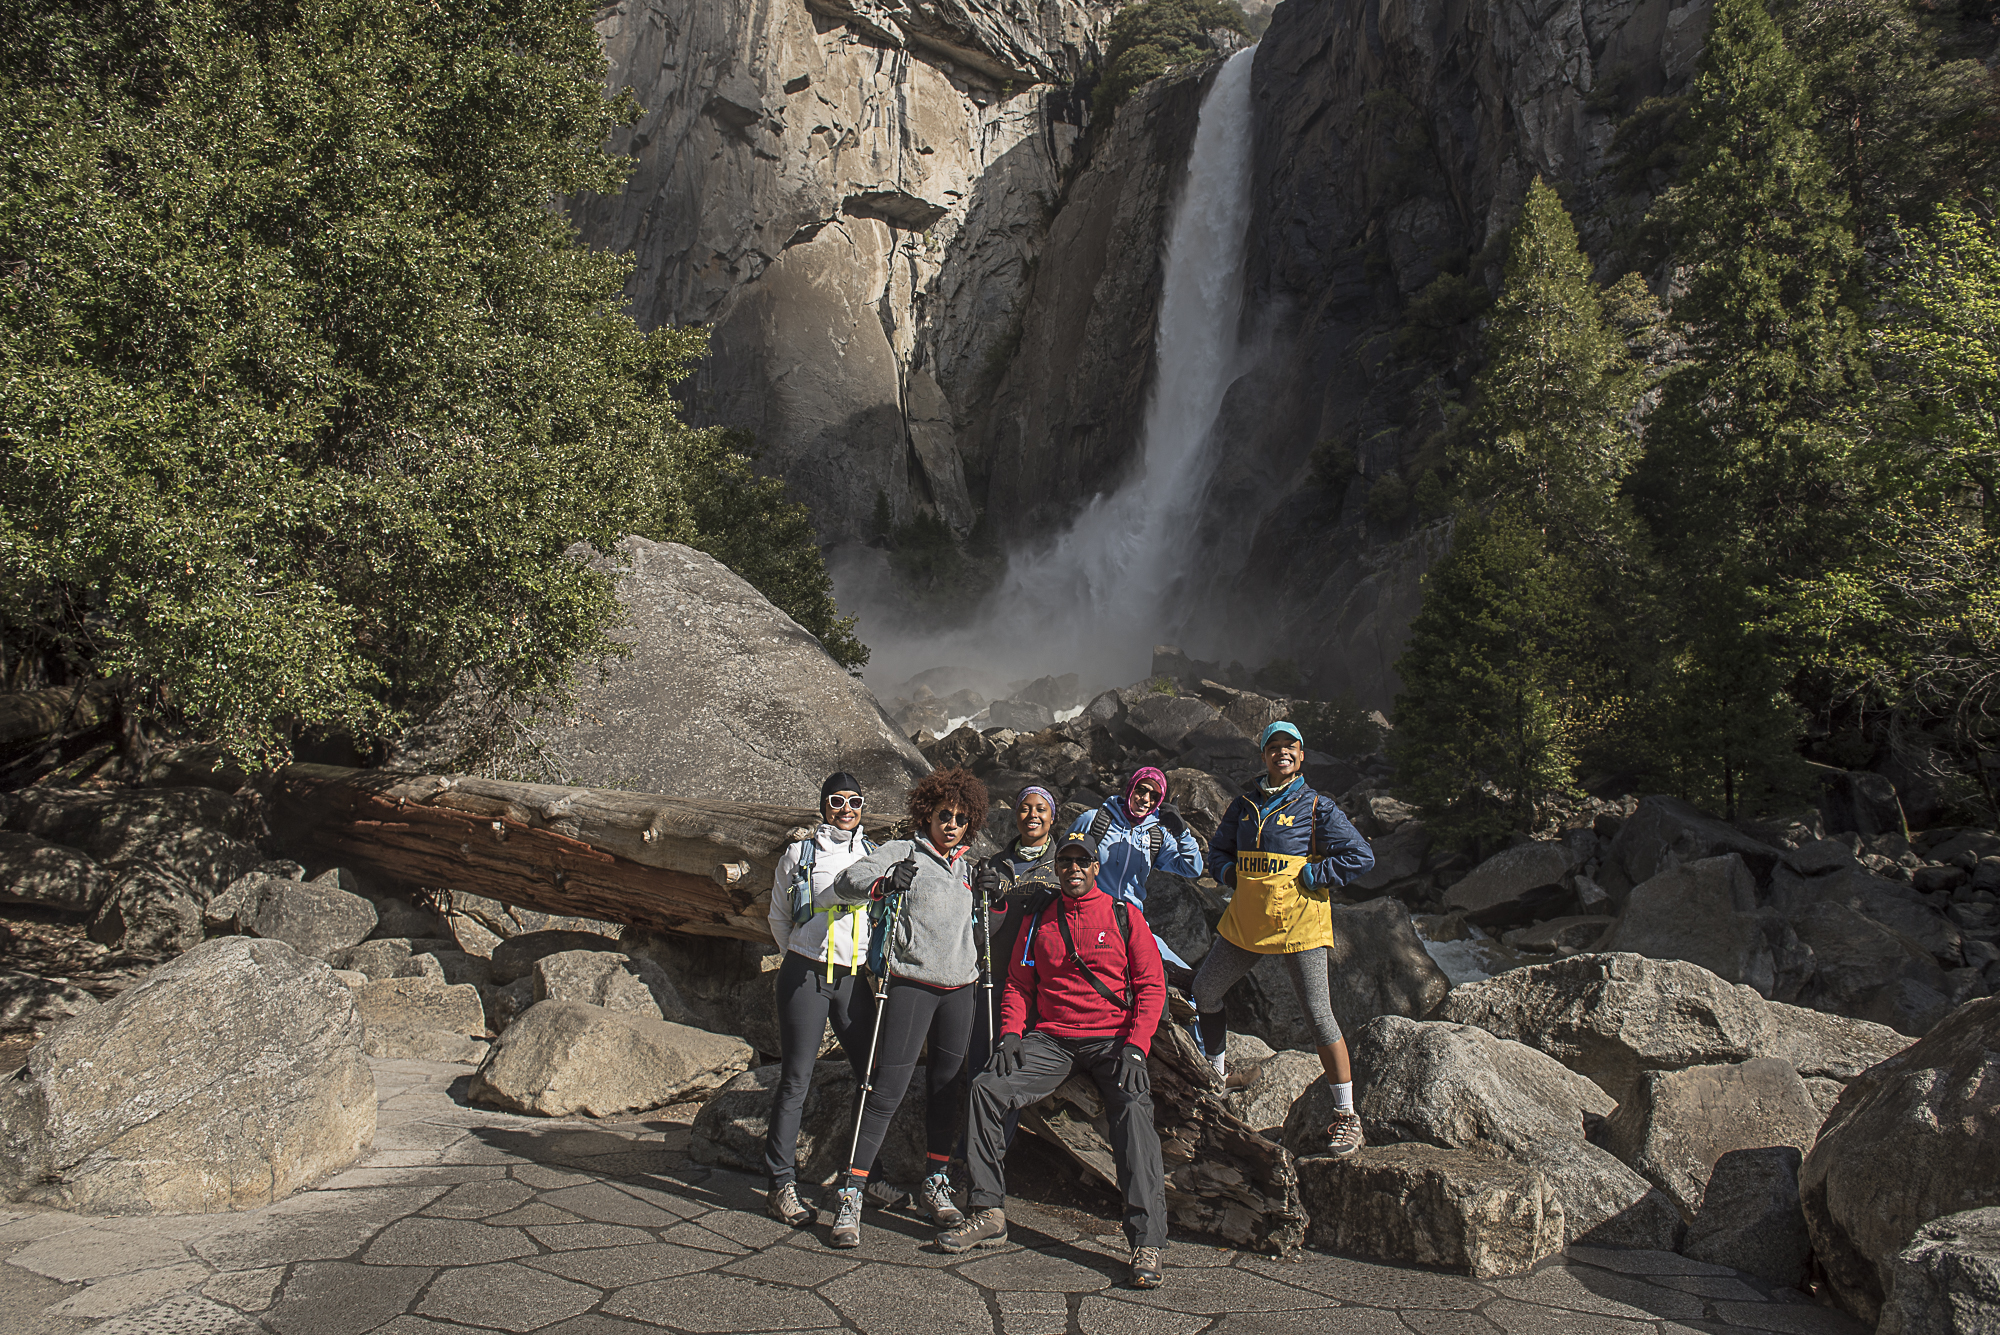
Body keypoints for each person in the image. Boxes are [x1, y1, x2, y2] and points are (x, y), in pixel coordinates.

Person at [940, 832, 1170, 1291]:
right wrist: (1009, 1035)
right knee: (987, 1088)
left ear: (1096, 867)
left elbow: (1151, 986)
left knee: (1133, 1111)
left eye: (1082, 861)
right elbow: (1019, 985)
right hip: (1054, 1039)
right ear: (1058, 867)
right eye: (1065, 861)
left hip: (1112, 1039)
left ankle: (1147, 1241)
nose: (1074, 868)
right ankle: (988, 1210)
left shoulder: (1124, 916)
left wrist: (1136, 1046)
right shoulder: (1041, 918)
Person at [821, 766, 989, 1248]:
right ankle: (852, 1191)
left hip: (962, 988)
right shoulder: (903, 851)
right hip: (910, 985)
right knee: (885, 1088)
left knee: (946, 1086)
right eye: (944, 814)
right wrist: (886, 881)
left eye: (961, 817)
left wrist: (994, 890)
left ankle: (935, 1182)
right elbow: (849, 881)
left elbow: (982, 925)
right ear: (927, 814)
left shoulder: (968, 866)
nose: (952, 823)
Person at [1194, 721, 1375, 1156]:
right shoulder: (1243, 805)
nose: (1282, 753)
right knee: (1205, 990)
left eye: (1290, 747)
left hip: (1299, 922)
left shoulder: (1317, 807)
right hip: (1248, 921)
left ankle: (1347, 1115)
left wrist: (1316, 873)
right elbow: (1217, 851)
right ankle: (1215, 1079)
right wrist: (1227, 873)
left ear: (1301, 755)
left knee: (1318, 1014)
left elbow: (1361, 856)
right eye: (1273, 747)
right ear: (1263, 756)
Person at [761, 772, 878, 1227]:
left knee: (870, 1074)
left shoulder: (872, 855)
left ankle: (864, 1174)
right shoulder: (799, 854)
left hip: (852, 977)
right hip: (805, 974)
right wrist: (803, 950)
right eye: (836, 801)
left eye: (854, 800)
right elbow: (777, 916)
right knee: (796, 1079)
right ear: (823, 806)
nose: (846, 809)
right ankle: (780, 1184)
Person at [1065, 767, 1204, 982]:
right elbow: (1063, 860)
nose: (1145, 799)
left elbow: (1193, 868)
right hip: (1090, 916)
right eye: (1141, 790)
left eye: (1154, 795)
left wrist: (1182, 832)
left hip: (1132, 923)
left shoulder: (1157, 834)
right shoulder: (1094, 821)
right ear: (1130, 788)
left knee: (1189, 980)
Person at [968, 785, 1064, 1073]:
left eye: (1040, 809)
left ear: (1052, 817)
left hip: (1041, 985)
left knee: (1018, 1070)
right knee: (980, 1062)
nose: (1032, 815)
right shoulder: (994, 865)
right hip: (993, 979)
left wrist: (1056, 897)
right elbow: (975, 927)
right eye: (1025, 808)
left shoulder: (1066, 864)